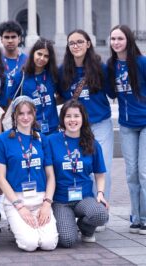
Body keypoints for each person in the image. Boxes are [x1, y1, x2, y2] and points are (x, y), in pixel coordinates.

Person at [58, 29, 114, 206]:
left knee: (103, 168)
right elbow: (60, 95)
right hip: (76, 127)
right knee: (79, 168)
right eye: (72, 43)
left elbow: (112, 92)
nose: (76, 46)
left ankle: (100, 207)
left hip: (100, 123)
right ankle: (83, 208)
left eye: (80, 42)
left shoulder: (100, 68)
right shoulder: (63, 71)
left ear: (88, 44)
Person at [0, 96, 58, 251]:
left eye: (29, 113)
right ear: (14, 116)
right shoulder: (3, 140)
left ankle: (32, 226)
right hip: (16, 200)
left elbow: (50, 176)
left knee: (49, 244)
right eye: (21, 113)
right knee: (30, 244)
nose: (25, 117)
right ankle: (18, 224)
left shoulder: (42, 139)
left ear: (34, 113)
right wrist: (19, 206)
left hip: (40, 199)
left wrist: (46, 203)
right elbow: (0, 178)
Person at [48, 99, 109, 247]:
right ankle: (68, 224)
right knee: (68, 240)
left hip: (84, 197)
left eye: (76, 116)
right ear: (63, 119)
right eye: (68, 116)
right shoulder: (51, 141)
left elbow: (99, 173)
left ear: (83, 118)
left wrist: (100, 193)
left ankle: (85, 228)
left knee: (101, 214)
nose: (72, 120)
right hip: (61, 200)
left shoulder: (92, 143)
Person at [107, 25, 146, 234]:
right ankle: (136, 217)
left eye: (119, 38)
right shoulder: (111, 66)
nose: (115, 43)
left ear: (128, 40)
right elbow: (109, 92)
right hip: (126, 124)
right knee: (131, 173)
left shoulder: (141, 62)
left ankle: (145, 217)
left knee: (144, 172)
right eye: (113, 39)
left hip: (145, 122)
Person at [8, 38, 59, 134]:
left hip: (53, 129)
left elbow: (59, 96)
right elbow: (11, 102)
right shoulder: (20, 77)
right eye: (39, 54)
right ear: (33, 54)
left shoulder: (53, 75)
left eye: (46, 56)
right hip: (30, 130)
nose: (42, 58)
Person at [0, 21, 28, 88]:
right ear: (1, 39)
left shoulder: (27, 60)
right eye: (6, 37)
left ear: (19, 39)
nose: (10, 41)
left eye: (13, 37)